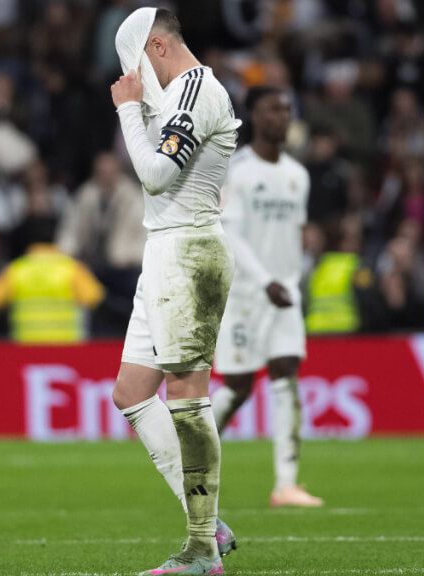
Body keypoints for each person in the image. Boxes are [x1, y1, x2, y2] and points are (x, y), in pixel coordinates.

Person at [110, 8, 240, 574]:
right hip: (164, 250)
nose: (136, 78)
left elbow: (157, 174)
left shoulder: (195, 90)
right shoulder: (176, 94)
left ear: (157, 48)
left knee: (188, 400)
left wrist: (126, 111)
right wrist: (138, 106)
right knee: (131, 392)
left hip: (189, 251)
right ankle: (210, 523)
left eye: (136, 64)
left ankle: (201, 548)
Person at [210, 86, 322, 508]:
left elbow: (293, 236)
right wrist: (264, 282)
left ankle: (287, 484)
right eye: (273, 109)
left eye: (287, 108)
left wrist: (290, 281)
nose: (282, 116)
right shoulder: (237, 171)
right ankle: (193, 449)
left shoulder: (298, 175)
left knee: (286, 373)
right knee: (238, 386)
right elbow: (230, 233)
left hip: (285, 293)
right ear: (254, 115)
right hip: (244, 295)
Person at [0, 219, 104, 343]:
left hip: (25, 346)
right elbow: (94, 297)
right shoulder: (72, 268)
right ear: (56, 237)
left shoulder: (16, 270)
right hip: (67, 346)